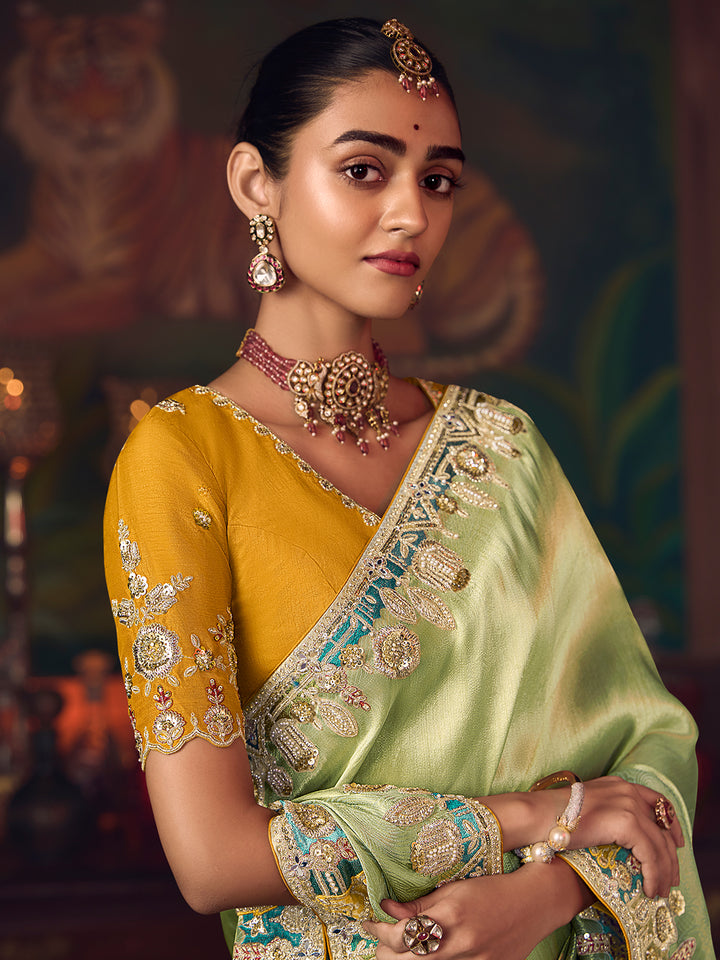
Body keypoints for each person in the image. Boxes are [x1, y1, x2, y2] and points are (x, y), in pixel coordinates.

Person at [103, 17, 713, 960]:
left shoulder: (501, 448)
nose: (412, 216)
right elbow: (213, 861)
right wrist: (526, 819)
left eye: (438, 181)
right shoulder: (180, 458)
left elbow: (650, 753)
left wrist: (548, 893)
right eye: (364, 170)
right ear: (255, 183)